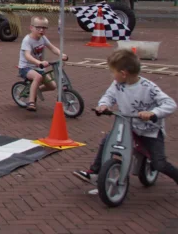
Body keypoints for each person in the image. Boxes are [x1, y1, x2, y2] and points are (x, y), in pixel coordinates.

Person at [73, 49, 178, 185]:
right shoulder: (117, 84)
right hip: (128, 127)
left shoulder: (148, 87)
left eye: (113, 72)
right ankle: (94, 172)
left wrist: (153, 113)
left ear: (123, 73)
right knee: (107, 142)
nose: (112, 75)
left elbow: (170, 104)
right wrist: (103, 105)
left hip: (150, 130)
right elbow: (109, 96)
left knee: (159, 164)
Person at [17, 16, 68, 112]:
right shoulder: (27, 40)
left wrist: (61, 54)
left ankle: (34, 89)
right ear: (31, 27)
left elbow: (52, 48)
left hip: (39, 68)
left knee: (52, 86)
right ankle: (31, 102)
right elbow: (27, 56)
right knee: (38, 77)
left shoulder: (43, 38)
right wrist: (39, 62)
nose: (41, 30)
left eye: (44, 28)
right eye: (38, 28)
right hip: (26, 67)